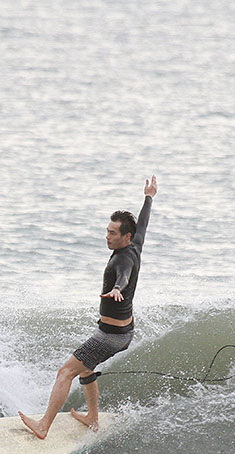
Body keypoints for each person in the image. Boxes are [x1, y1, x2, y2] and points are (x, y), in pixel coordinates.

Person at [19, 176, 158, 439]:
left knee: (65, 372)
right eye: (107, 230)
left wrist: (118, 288)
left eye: (112, 233)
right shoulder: (135, 244)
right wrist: (148, 197)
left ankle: (43, 426)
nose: (107, 236)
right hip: (122, 331)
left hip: (110, 336)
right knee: (87, 368)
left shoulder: (124, 261)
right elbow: (144, 224)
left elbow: (124, 275)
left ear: (125, 237)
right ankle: (92, 417)